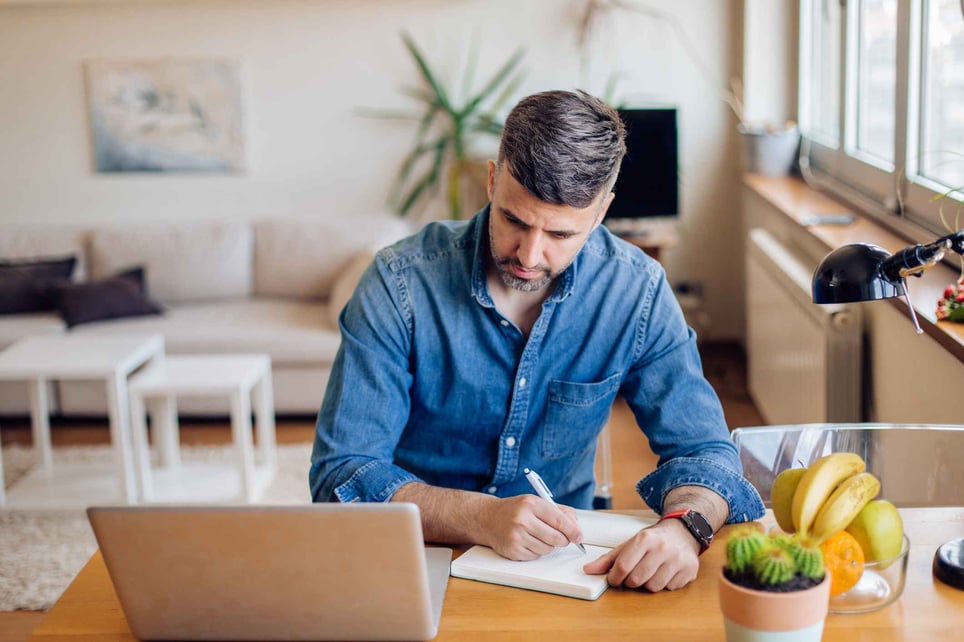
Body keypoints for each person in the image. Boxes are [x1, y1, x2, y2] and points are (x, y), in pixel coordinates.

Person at [310, 89, 764, 592]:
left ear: (600, 212)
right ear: (492, 179)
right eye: (515, 220)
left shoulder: (636, 291)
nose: (530, 254)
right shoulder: (399, 284)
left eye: (561, 235)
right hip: (418, 554)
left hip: (562, 567)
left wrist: (685, 527)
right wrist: (479, 517)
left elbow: (705, 453)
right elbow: (341, 476)